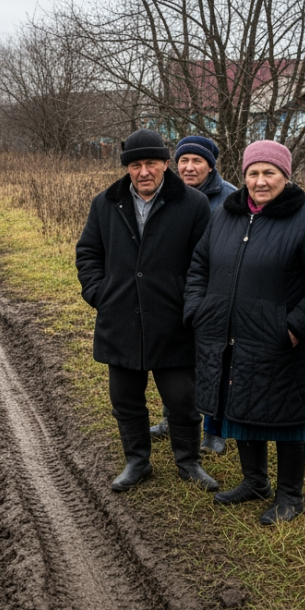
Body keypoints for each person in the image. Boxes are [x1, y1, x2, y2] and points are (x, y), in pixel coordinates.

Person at [185, 141, 305, 524]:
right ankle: (255, 481)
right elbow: (199, 264)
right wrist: (198, 309)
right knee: (241, 405)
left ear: (286, 175)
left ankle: (290, 495)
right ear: (243, 175)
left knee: (287, 415)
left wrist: (296, 326)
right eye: (253, 173)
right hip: (227, 332)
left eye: (269, 173)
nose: (260, 181)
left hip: (282, 339)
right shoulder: (225, 215)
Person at [76, 129, 218, 492]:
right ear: (127, 168)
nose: (143, 172)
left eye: (151, 164)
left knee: (183, 401)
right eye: (135, 165)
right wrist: (100, 293)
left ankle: (188, 463)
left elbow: (206, 262)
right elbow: (88, 253)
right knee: (125, 399)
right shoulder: (105, 203)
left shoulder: (192, 204)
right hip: (120, 319)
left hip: (174, 322)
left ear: (165, 164)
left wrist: (191, 304)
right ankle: (137, 462)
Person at [153, 135, 239, 455]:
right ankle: (172, 418)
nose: (189, 167)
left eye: (197, 161)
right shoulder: (166, 194)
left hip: (214, 294)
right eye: (183, 161)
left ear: (211, 165)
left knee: (215, 363)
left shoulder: (229, 198)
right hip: (174, 293)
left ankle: (215, 432)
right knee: (172, 360)